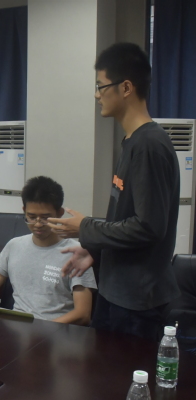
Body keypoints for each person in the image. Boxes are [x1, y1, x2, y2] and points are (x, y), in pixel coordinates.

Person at [47, 43, 180, 340]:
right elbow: (126, 220)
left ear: (126, 87)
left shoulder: (149, 145)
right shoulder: (132, 141)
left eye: (101, 86)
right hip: (117, 291)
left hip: (137, 302)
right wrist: (94, 250)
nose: (97, 95)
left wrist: (85, 227)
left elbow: (148, 227)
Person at [0, 176, 96, 325]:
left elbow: (83, 314)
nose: (38, 224)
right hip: (16, 330)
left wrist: (41, 330)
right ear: (24, 211)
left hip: (56, 330)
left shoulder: (77, 254)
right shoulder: (14, 246)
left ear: (60, 213)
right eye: (31, 217)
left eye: (45, 218)